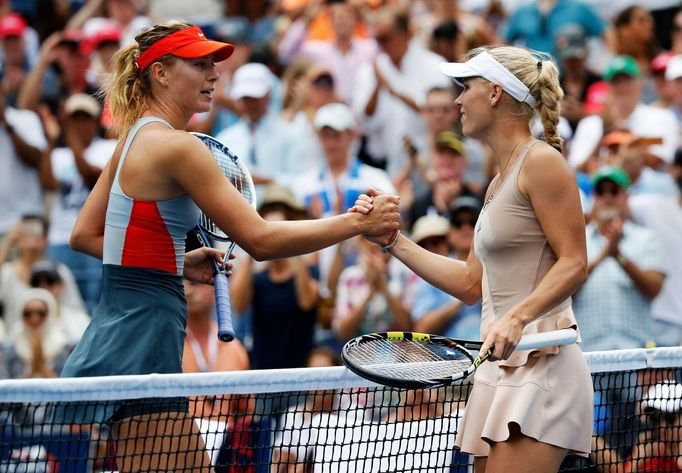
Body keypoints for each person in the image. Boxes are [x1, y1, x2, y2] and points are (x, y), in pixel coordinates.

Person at [59, 20, 400, 472]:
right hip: (144, 336)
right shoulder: (178, 148)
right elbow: (259, 240)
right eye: (199, 65)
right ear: (160, 72)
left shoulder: (133, 138)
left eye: (213, 65)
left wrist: (176, 261)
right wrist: (358, 222)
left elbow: (85, 236)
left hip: (125, 327)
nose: (215, 75)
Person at [351, 45, 593, 471]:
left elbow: (574, 262)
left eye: (466, 87)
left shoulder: (542, 162)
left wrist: (517, 318)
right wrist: (393, 241)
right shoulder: (498, 181)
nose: (458, 100)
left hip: (543, 365)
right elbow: (469, 284)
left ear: (496, 93)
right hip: (500, 369)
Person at [572, 166, 665, 352]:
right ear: (594, 198)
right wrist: (605, 255)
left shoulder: (646, 238)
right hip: (589, 356)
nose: (607, 197)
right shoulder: (577, 241)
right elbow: (565, 290)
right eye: (600, 191)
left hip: (637, 355)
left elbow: (654, 288)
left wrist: (619, 257)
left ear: (626, 197)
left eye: (614, 191)